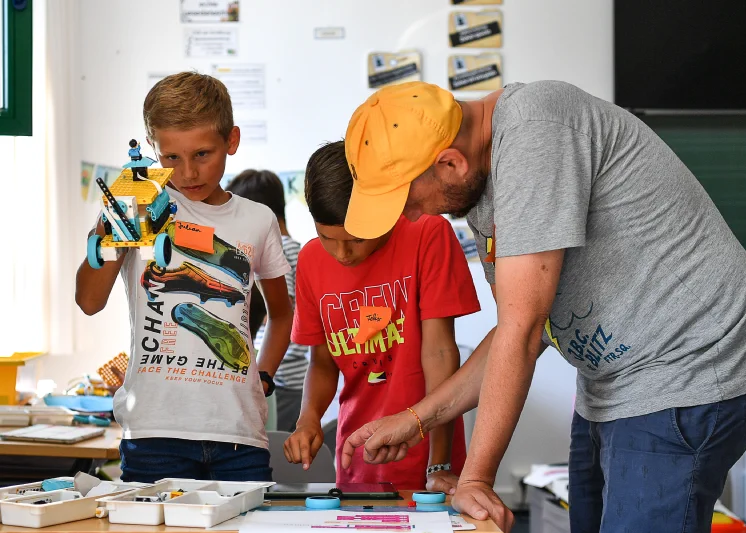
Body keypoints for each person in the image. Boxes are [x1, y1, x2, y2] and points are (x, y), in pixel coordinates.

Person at [337, 81, 746, 532]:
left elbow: (523, 331)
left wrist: (476, 477)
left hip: (685, 369)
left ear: (450, 162)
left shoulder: (535, 134)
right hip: (612, 381)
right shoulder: (486, 175)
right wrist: (416, 420)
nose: (414, 217)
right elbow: (523, 328)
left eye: (410, 202)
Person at [75, 72, 293, 483]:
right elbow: (89, 301)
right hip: (155, 431)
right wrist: (108, 232)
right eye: (171, 158)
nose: (188, 173)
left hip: (238, 434)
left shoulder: (257, 219)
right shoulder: (137, 207)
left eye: (203, 154)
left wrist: (263, 374)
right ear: (154, 150)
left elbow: (282, 313)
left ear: (232, 141)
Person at [283, 140, 480, 492]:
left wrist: (440, 463)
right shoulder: (312, 260)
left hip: (430, 457)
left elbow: (440, 353)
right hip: (356, 459)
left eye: (356, 239)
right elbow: (324, 363)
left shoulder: (427, 233)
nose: (342, 253)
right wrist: (308, 419)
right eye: (327, 237)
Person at [226, 169, 309, 432]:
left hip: (280, 378)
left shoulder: (281, 249)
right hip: (289, 378)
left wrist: (264, 373)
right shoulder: (296, 247)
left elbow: (282, 311)